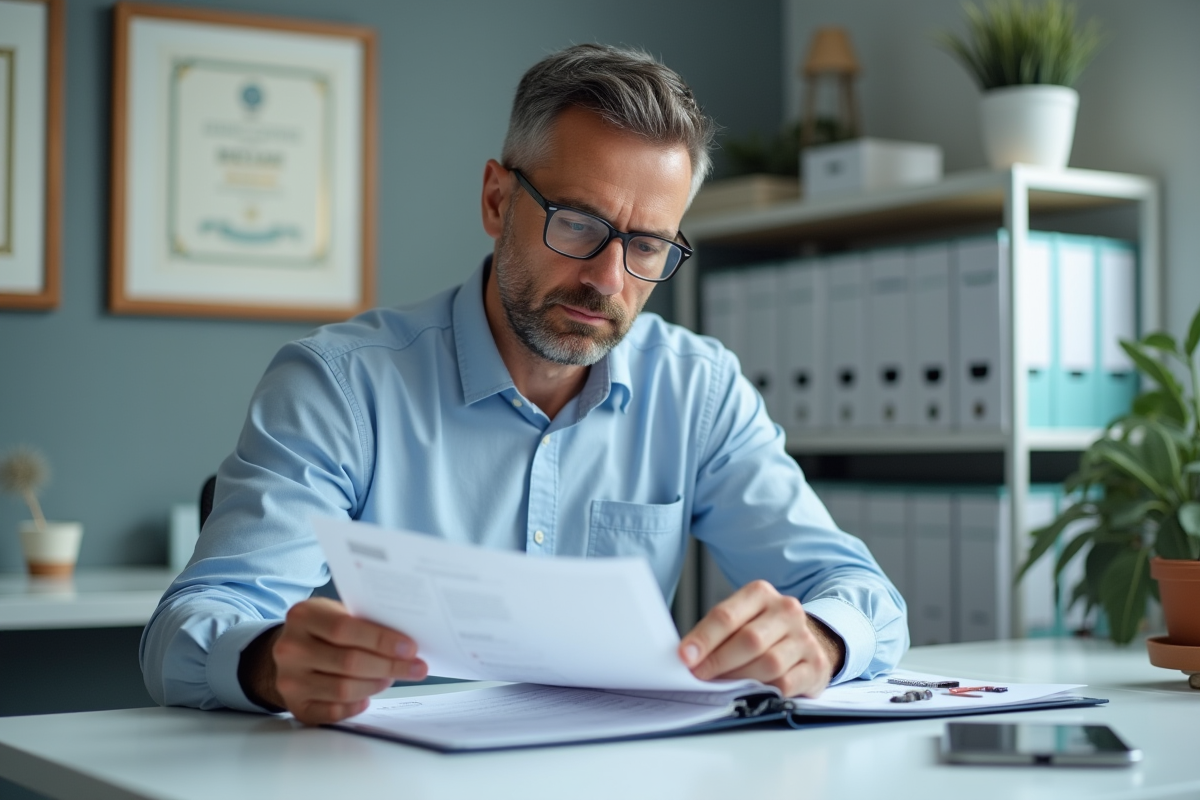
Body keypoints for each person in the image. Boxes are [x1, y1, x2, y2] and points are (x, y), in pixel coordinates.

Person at [141, 43, 907, 726]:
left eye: (647, 245)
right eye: (577, 223)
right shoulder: (339, 385)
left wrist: (820, 637)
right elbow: (190, 627)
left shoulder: (698, 391)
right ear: (497, 200)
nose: (608, 279)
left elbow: (858, 591)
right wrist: (267, 662)